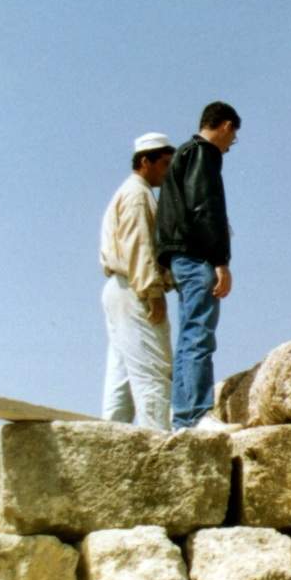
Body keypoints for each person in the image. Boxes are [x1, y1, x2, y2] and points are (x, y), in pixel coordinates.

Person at [157, 101, 241, 429]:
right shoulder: (203, 153)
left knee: (189, 333)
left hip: (180, 257)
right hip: (196, 256)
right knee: (199, 333)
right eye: (233, 136)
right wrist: (220, 260)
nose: (231, 144)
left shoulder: (183, 154)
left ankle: (184, 417)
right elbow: (205, 207)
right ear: (225, 126)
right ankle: (194, 415)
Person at [98, 132, 177, 430]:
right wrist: (152, 292)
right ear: (146, 161)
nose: (168, 172)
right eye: (165, 164)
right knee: (153, 372)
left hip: (120, 288)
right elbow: (139, 244)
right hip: (135, 289)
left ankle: (107, 443)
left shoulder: (131, 192)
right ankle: (158, 445)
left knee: (121, 378)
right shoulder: (137, 194)